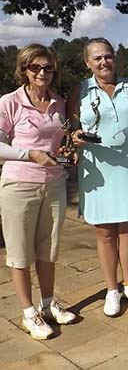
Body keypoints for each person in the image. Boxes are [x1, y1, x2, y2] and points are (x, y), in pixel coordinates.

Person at [0, 44, 76, 340]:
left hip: (54, 183)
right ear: (24, 70)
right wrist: (28, 154)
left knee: (48, 250)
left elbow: (58, 143)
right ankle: (29, 312)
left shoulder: (58, 102)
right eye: (36, 68)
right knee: (20, 252)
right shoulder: (9, 102)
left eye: (48, 67)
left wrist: (70, 152)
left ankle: (47, 303)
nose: (42, 72)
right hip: (19, 183)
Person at [67, 38, 128, 317]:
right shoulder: (80, 90)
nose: (104, 62)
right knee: (105, 232)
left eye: (108, 56)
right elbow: (71, 129)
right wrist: (75, 137)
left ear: (115, 58)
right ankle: (112, 290)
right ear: (88, 62)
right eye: (97, 58)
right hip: (97, 169)